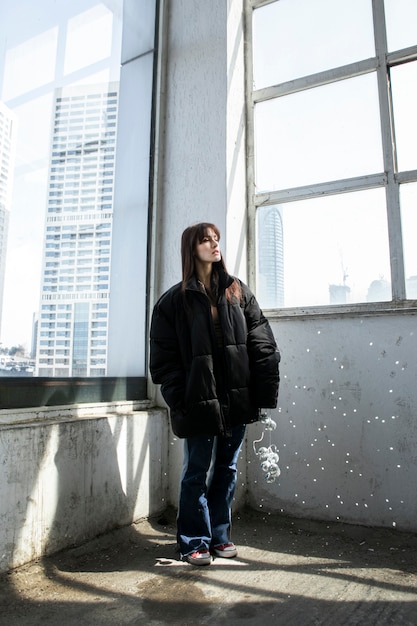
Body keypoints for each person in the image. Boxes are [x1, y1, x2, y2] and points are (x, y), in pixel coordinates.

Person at [149, 222, 280, 566]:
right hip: (199, 402)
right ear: (191, 248)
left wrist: (263, 396)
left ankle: (220, 535)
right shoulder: (173, 301)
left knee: (227, 468)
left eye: (216, 239)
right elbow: (164, 359)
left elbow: (262, 341)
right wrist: (181, 399)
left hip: (236, 399)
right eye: (206, 239)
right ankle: (193, 540)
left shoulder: (237, 291)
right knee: (195, 471)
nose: (214, 244)